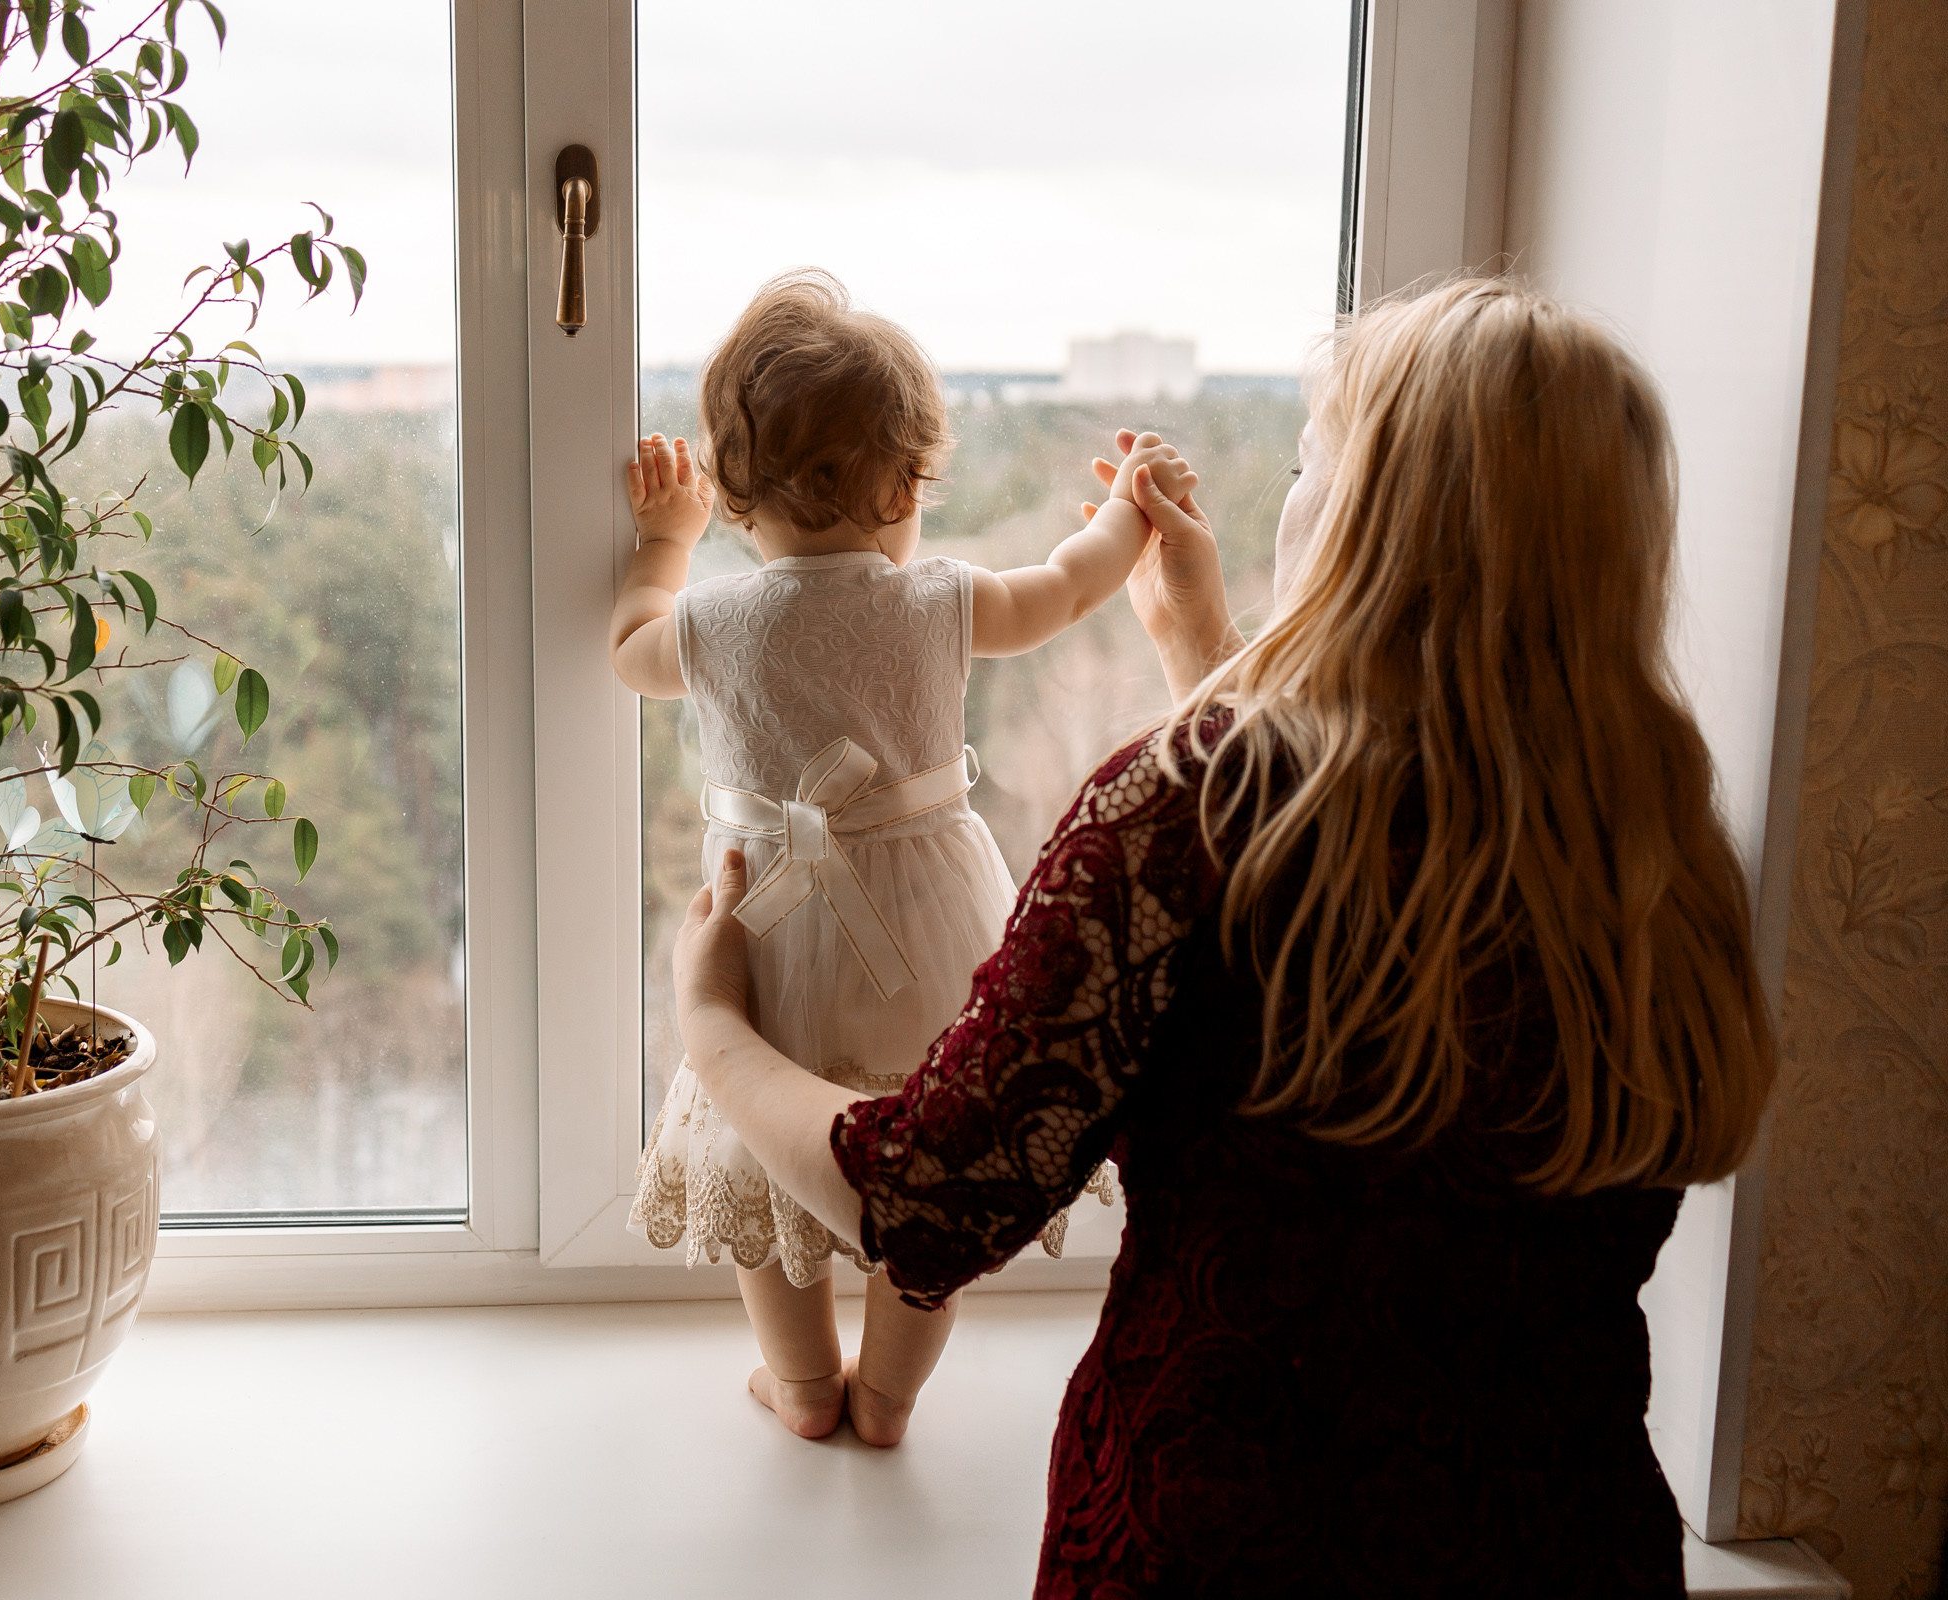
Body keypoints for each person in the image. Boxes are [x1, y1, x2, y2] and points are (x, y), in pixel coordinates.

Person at [667, 276, 1776, 1596]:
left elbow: (927, 1197)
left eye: (1311, 462)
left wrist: (717, 1026)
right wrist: (1202, 642)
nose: (1289, 500)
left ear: (1371, 517)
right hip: (1558, 1548)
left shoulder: (1181, 800)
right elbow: (1359, 882)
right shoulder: (1653, 829)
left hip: (1230, 1545)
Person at [612, 270, 1189, 1445]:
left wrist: (661, 545)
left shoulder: (717, 622)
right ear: (904, 484)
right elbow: (1063, 590)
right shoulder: (938, 597)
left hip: (768, 923)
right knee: (931, 1149)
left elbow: (628, 649)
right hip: (930, 918)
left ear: (731, 491)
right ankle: (888, 1393)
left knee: (771, 1152)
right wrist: (1128, 511)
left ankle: (806, 1380)